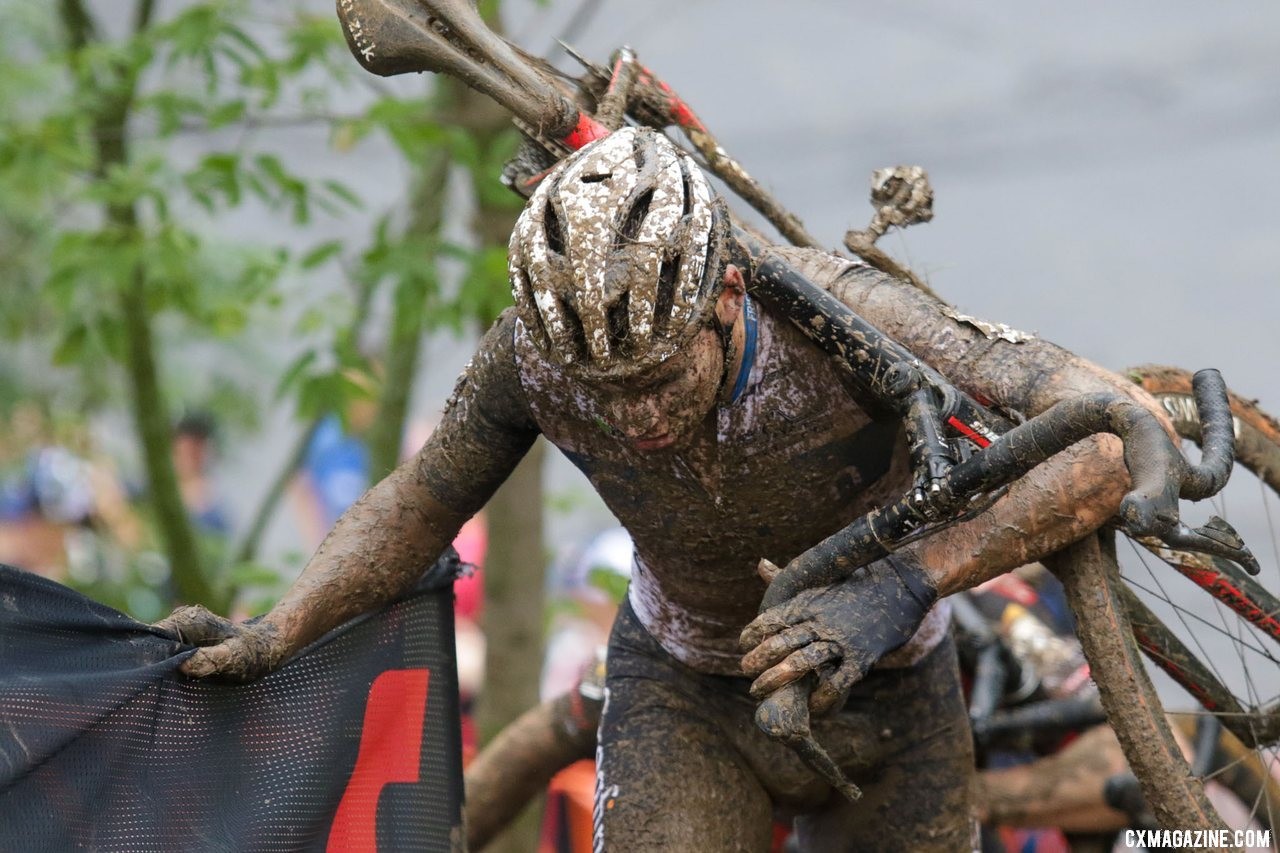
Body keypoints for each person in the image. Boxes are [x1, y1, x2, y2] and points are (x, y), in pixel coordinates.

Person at [159, 127, 1166, 851]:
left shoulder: (847, 322)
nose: (634, 416)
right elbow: (420, 500)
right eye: (601, 394)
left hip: (890, 689)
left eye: (655, 377)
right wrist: (276, 630)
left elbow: (1119, 436)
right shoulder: (531, 358)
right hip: (681, 689)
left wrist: (904, 581)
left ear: (725, 297)